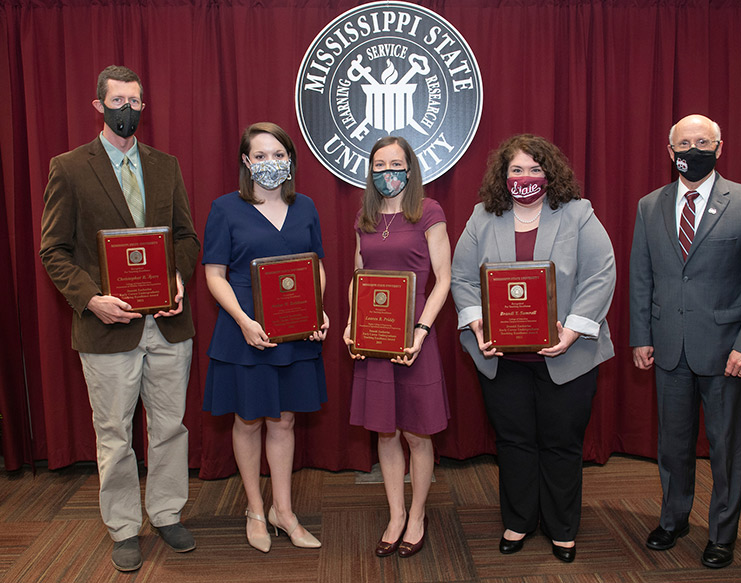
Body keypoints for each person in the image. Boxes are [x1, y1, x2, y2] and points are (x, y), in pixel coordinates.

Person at [39, 65, 200, 572]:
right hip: (107, 326)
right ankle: (125, 526)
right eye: (118, 101)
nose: (127, 109)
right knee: (113, 432)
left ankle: (167, 511)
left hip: (169, 323)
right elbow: (54, 251)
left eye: (135, 101)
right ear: (99, 106)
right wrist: (91, 300)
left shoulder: (165, 165)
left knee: (170, 426)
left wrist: (178, 278)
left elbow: (186, 237)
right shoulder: (68, 167)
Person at [451, 134, 615, 562]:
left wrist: (573, 332)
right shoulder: (482, 217)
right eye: (516, 170)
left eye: (535, 169)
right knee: (514, 441)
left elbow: (600, 274)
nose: (525, 178)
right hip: (501, 358)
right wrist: (477, 322)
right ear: (502, 177)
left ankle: (562, 527)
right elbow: (462, 278)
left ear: (551, 174)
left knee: (562, 443)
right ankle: (519, 520)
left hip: (569, 355)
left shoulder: (578, 214)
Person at [630, 114, 741, 569]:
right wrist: (642, 335)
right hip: (668, 348)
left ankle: (722, 534)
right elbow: (643, 278)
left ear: (719, 147)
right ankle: (673, 520)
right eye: (683, 142)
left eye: (702, 141)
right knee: (672, 446)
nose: (691, 149)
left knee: (726, 447)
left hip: (727, 352)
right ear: (669, 150)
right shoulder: (649, 205)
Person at [202, 122, 327, 553]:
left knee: (285, 420)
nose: (270, 163)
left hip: (295, 332)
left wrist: (318, 309)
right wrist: (241, 319)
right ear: (245, 162)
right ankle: (256, 509)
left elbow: (317, 265)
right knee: (248, 418)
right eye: (260, 156)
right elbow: (214, 275)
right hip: (244, 332)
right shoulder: (224, 208)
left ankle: (284, 511)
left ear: (290, 159)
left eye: (278, 154)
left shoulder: (307, 206)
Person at [343, 136, 451, 558]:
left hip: (416, 333)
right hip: (374, 335)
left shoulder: (428, 211)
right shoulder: (365, 216)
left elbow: (442, 278)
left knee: (417, 431)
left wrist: (422, 330)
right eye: (379, 165)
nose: (387, 172)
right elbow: (358, 274)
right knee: (384, 429)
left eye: (396, 164)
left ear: (410, 168)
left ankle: (418, 514)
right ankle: (395, 513)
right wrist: (353, 322)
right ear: (370, 171)